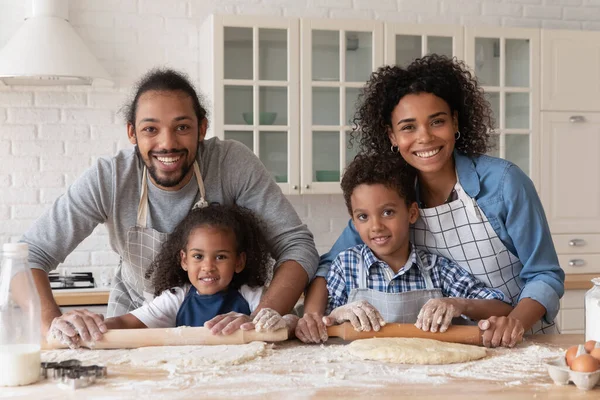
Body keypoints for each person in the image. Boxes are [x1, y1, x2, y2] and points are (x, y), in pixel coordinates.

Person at [20, 68, 319, 338]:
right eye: (151, 129)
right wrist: (51, 323)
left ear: (202, 128)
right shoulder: (109, 177)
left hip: (226, 325)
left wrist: (260, 318)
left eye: (182, 127)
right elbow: (28, 255)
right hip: (136, 321)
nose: (167, 143)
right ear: (132, 133)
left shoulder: (231, 164)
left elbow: (297, 245)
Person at [296, 54, 564, 347]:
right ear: (392, 136)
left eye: (437, 122)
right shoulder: (393, 197)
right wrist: (311, 317)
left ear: (455, 122)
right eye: (408, 127)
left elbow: (544, 274)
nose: (424, 138)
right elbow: (329, 266)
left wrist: (514, 323)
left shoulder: (503, 183)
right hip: (454, 346)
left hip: (524, 339)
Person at [311, 153, 516, 346]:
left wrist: (459, 304)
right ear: (354, 222)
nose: (376, 226)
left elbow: (502, 307)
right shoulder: (345, 266)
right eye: (363, 216)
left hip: (428, 379)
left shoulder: (437, 269)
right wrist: (337, 315)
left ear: (411, 213)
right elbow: (320, 322)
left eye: (388, 212)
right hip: (360, 378)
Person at [48, 205, 297, 348]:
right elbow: (126, 324)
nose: (208, 267)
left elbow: (287, 322)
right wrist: (85, 326)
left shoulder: (253, 298)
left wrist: (275, 320)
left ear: (239, 261)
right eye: (198, 256)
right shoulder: (176, 299)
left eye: (220, 257)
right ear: (184, 260)